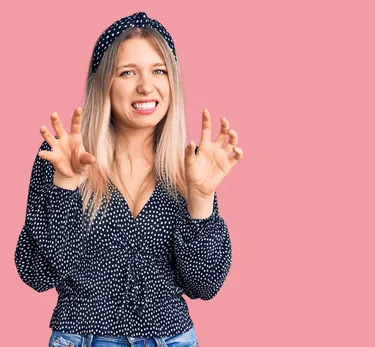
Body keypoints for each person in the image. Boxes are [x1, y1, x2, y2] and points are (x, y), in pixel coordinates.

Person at [14, 12, 243, 347]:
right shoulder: (64, 155)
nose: (145, 86)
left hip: (173, 340)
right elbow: (36, 273)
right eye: (127, 72)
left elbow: (204, 285)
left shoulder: (189, 167)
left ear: (172, 83)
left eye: (159, 71)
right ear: (103, 81)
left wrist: (202, 200)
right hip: (83, 339)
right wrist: (65, 185)